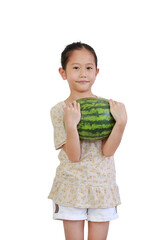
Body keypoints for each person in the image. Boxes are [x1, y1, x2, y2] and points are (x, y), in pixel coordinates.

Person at [48, 42, 127, 240]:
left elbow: (107, 151)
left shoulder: (109, 108)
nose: (83, 73)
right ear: (63, 72)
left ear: (96, 72)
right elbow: (74, 156)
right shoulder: (60, 110)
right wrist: (71, 124)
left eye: (89, 68)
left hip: (102, 186)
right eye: (76, 67)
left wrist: (121, 123)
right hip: (71, 187)